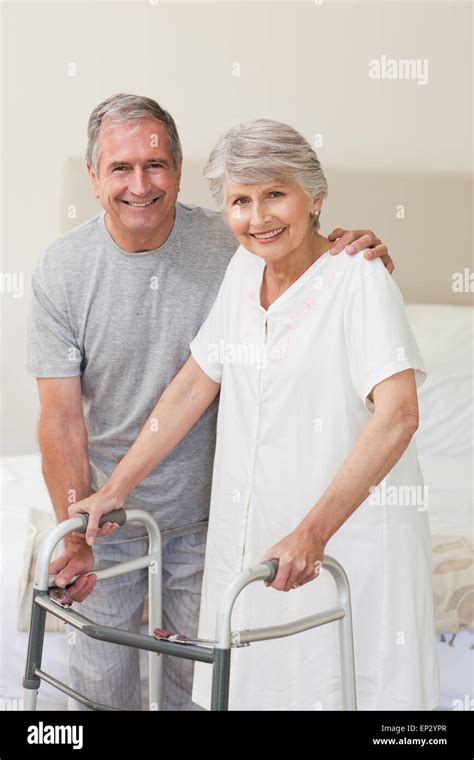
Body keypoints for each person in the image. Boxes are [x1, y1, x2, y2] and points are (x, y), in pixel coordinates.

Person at [28, 94, 395, 711]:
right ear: (93, 178)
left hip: (216, 521)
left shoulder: (237, 246)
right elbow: (61, 420)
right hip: (110, 520)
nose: (140, 184)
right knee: (96, 694)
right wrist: (77, 532)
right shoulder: (62, 271)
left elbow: (309, 265)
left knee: (198, 695)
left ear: (177, 166)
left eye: (156, 164)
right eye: (120, 168)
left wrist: (357, 254)